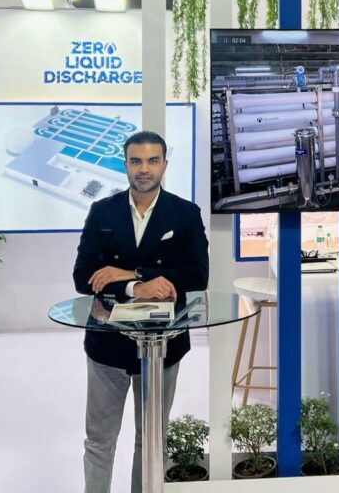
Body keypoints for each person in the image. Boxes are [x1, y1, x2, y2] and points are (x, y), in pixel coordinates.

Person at [72, 130, 209, 493]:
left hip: (164, 345)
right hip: (107, 345)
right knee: (99, 440)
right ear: (125, 165)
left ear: (164, 164)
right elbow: (83, 277)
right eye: (136, 161)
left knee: (150, 439)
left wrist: (131, 274)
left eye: (152, 161)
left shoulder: (185, 214)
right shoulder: (102, 211)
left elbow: (199, 275)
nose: (144, 169)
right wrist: (137, 288)